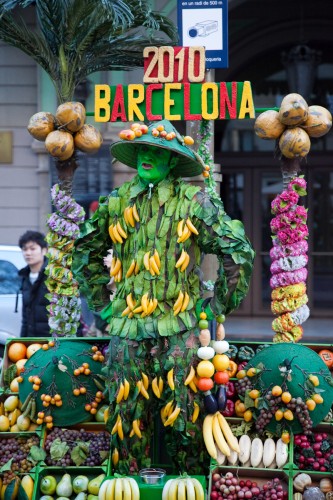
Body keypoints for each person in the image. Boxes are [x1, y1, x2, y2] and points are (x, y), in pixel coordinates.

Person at [73, 120, 255, 473]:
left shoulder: (195, 202)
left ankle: (191, 483)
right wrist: (102, 305)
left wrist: (216, 306)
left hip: (181, 329)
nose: (146, 155)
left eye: (157, 151)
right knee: (124, 418)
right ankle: (126, 486)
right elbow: (85, 251)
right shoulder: (115, 203)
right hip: (127, 329)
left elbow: (238, 252)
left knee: (186, 415)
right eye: (141, 148)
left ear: (172, 161)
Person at [18, 230, 50, 337]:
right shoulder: (24, 277)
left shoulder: (53, 275)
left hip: (53, 342)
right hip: (32, 342)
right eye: (24, 249)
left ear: (44, 250)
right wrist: (22, 341)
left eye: (32, 249)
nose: (28, 253)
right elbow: (25, 318)